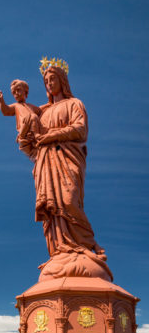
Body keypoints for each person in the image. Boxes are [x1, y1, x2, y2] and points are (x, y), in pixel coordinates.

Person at [30, 60, 111, 281]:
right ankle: (61, 251)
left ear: (62, 80)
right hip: (46, 163)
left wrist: (51, 136)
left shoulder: (74, 103)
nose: (48, 84)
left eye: (52, 79)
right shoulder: (42, 112)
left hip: (67, 159)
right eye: (45, 81)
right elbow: (33, 145)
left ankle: (87, 245)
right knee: (53, 208)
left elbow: (80, 129)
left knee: (68, 200)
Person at [0, 80, 42, 158]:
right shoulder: (16, 105)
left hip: (31, 128)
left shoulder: (31, 106)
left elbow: (41, 111)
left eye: (18, 90)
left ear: (25, 92)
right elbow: (6, 111)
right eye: (14, 93)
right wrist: (1, 100)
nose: (16, 94)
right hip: (24, 128)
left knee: (34, 117)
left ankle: (35, 136)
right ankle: (36, 135)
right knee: (33, 116)